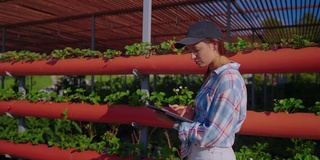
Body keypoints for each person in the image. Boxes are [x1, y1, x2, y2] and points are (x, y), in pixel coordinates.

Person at [169, 20, 247, 160]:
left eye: (196, 50)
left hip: (213, 154)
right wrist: (191, 115)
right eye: (190, 51)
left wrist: (177, 124)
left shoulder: (228, 79)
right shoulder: (214, 76)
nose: (192, 56)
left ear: (214, 45)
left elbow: (213, 134)